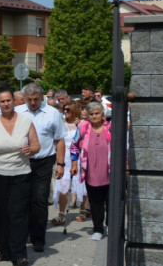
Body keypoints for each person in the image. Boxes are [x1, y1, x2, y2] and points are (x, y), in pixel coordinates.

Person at [0, 87, 40, 266]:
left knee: (18, 215)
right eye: (2, 101)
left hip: (21, 174)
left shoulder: (26, 121)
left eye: (8, 100)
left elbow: (36, 144)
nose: (6, 104)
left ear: (14, 101)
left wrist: (32, 149)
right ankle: (4, 251)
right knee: (0, 215)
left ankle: (19, 255)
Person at [15, 83, 67, 253]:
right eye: (29, 99)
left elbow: (60, 140)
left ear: (41, 97)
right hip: (23, 162)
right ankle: (25, 233)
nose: (32, 103)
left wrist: (60, 164)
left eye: (35, 99)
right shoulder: (18, 112)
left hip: (44, 161)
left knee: (39, 199)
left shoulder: (52, 113)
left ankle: (38, 239)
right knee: (23, 200)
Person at [70, 101, 112, 240]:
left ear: (102, 114)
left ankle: (111, 226)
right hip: (90, 171)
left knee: (110, 200)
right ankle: (98, 229)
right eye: (91, 114)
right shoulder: (83, 127)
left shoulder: (110, 127)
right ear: (87, 115)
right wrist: (74, 163)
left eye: (97, 113)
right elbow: (74, 145)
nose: (94, 116)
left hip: (109, 170)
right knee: (95, 201)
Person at [52, 102, 83, 227]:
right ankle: (61, 214)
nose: (65, 112)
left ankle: (83, 210)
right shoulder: (61, 124)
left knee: (80, 185)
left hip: (77, 157)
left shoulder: (81, 124)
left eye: (68, 110)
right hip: (64, 157)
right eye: (64, 109)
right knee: (63, 186)